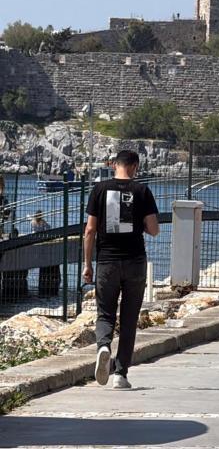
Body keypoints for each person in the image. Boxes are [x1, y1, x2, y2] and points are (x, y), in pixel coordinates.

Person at [83, 150, 160, 389]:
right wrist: (139, 225)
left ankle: (103, 346)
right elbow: (154, 229)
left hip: (107, 262)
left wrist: (87, 265)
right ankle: (120, 374)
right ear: (134, 166)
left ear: (114, 164)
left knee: (105, 313)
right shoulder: (142, 191)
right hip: (135, 262)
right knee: (129, 318)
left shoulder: (99, 189)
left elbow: (89, 230)